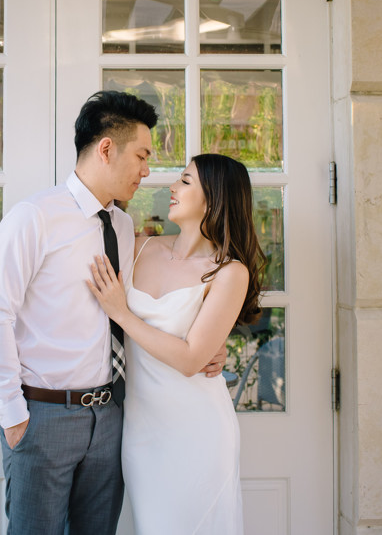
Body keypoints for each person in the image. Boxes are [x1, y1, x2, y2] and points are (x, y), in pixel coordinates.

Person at [0, 91, 225, 535]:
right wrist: (13, 415)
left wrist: (205, 344)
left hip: (111, 417)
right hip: (43, 417)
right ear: (107, 148)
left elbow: (141, 308)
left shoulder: (125, 228)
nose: (148, 171)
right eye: (142, 155)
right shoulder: (34, 217)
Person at [86, 154, 265, 535]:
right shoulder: (138, 246)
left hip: (197, 432)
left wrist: (123, 314)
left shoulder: (230, 271)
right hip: (141, 431)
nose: (172, 187)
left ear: (213, 199)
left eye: (185, 181)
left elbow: (189, 360)